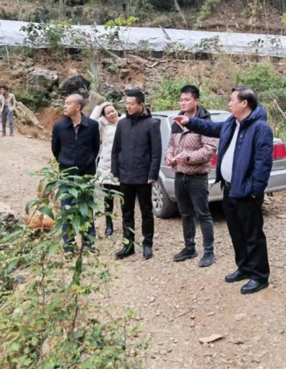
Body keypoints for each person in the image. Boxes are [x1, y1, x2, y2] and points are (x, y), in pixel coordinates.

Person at [173, 87, 273, 295]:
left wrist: (255, 191)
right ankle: (244, 268)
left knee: (253, 234)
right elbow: (210, 127)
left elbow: (263, 164)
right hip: (229, 188)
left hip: (247, 192)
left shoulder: (260, 128)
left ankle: (259, 276)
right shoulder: (231, 123)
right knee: (236, 232)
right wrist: (189, 121)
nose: (229, 104)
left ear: (244, 103)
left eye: (231, 100)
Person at [166, 85, 218, 268]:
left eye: (187, 100)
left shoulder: (204, 122)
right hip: (179, 174)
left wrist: (188, 157)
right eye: (181, 100)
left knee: (203, 214)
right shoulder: (177, 121)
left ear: (196, 101)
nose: (183, 103)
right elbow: (171, 144)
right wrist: (169, 156)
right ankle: (189, 248)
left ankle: (209, 251)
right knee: (185, 214)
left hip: (197, 176)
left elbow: (209, 149)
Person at [111, 89, 162, 260]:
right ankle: (128, 245)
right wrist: (115, 170)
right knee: (126, 211)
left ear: (141, 104)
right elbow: (116, 150)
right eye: (127, 103)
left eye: (132, 104)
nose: (128, 107)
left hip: (143, 176)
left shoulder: (152, 124)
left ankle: (147, 244)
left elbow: (156, 152)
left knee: (146, 211)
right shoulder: (122, 124)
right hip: (125, 175)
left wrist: (152, 173)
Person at [51, 94, 101, 251]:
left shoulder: (92, 126)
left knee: (86, 209)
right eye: (65, 103)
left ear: (78, 107)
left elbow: (95, 148)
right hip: (67, 176)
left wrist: (87, 162)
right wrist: (65, 163)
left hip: (86, 175)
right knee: (67, 209)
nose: (64, 106)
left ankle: (89, 244)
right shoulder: (59, 126)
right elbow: (55, 149)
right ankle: (69, 246)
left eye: (68, 103)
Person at [90, 101, 123, 237]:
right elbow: (91, 122)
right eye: (108, 112)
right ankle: (109, 225)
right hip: (106, 168)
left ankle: (126, 225)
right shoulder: (101, 125)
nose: (112, 114)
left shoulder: (124, 122)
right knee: (108, 199)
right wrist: (100, 107)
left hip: (122, 167)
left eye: (113, 110)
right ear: (104, 116)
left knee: (124, 199)